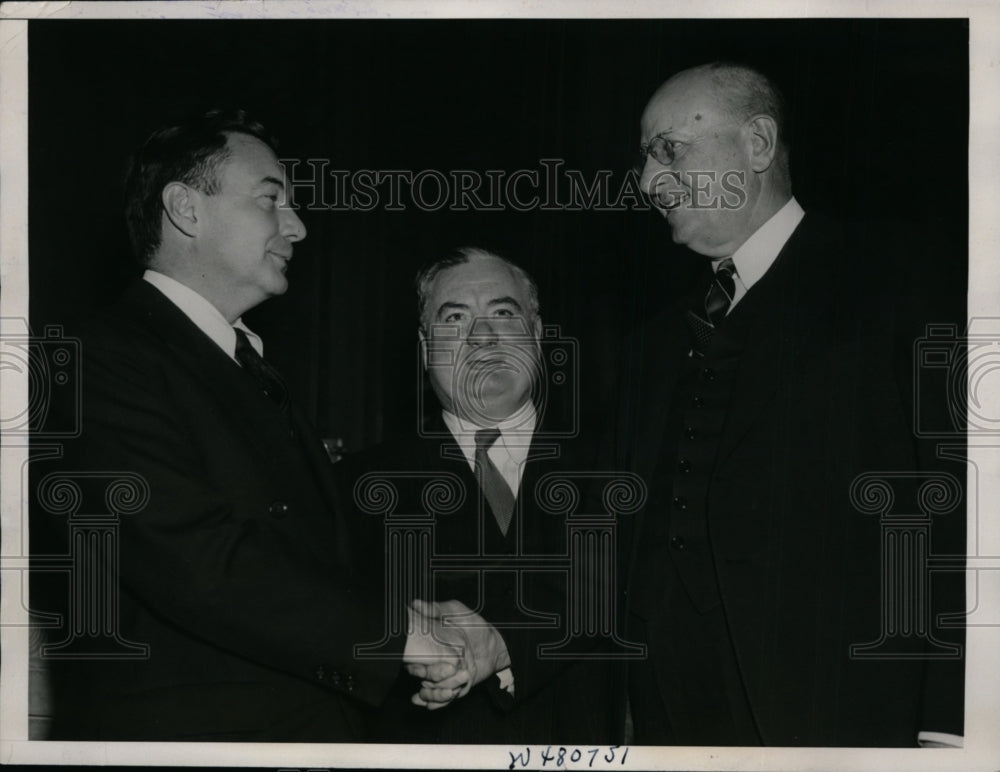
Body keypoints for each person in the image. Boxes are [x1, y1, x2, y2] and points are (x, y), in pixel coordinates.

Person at [34, 109, 465, 741]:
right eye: (272, 200)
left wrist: (405, 616)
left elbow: (299, 561)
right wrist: (395, 634)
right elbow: (196, 558)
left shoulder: (242, 363)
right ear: (186, 209)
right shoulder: (96, 360)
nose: (297, 225)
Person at [610, 62, 966, 746]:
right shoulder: (651, 342)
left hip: (844, 716)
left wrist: (951, 724)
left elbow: (964, 502)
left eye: (668, 150)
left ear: (759, 143)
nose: (647, 181)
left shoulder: (902, 276)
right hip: (673, 722)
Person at [338, 247, 618, 743]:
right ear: (426, 349)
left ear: (536, 333)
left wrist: (503, 640)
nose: (483, 337)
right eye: (455, 319)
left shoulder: (618, 459)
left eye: (503, 313)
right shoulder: (355, 485)